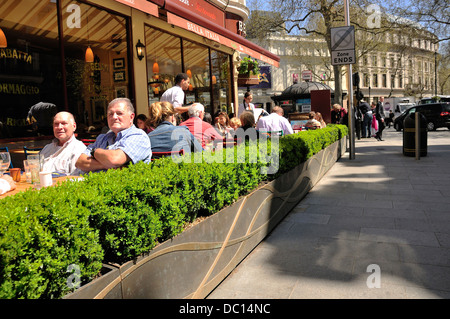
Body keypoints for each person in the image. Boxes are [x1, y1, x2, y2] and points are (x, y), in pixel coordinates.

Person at [75, 98, 152, 173]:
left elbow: (114, 159)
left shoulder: (138, 136)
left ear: (131, 117)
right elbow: (80, 162)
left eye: (119, 113)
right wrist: (106, 164)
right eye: (110, 114)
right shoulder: (102, 138)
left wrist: (94, 152)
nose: (114, 117)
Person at [40, 111, 86, 176]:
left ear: (74, 126)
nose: (59, 127)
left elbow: (76, 179)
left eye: (64, 123)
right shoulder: (47, 148)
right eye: (56, 124)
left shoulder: (79, 150)